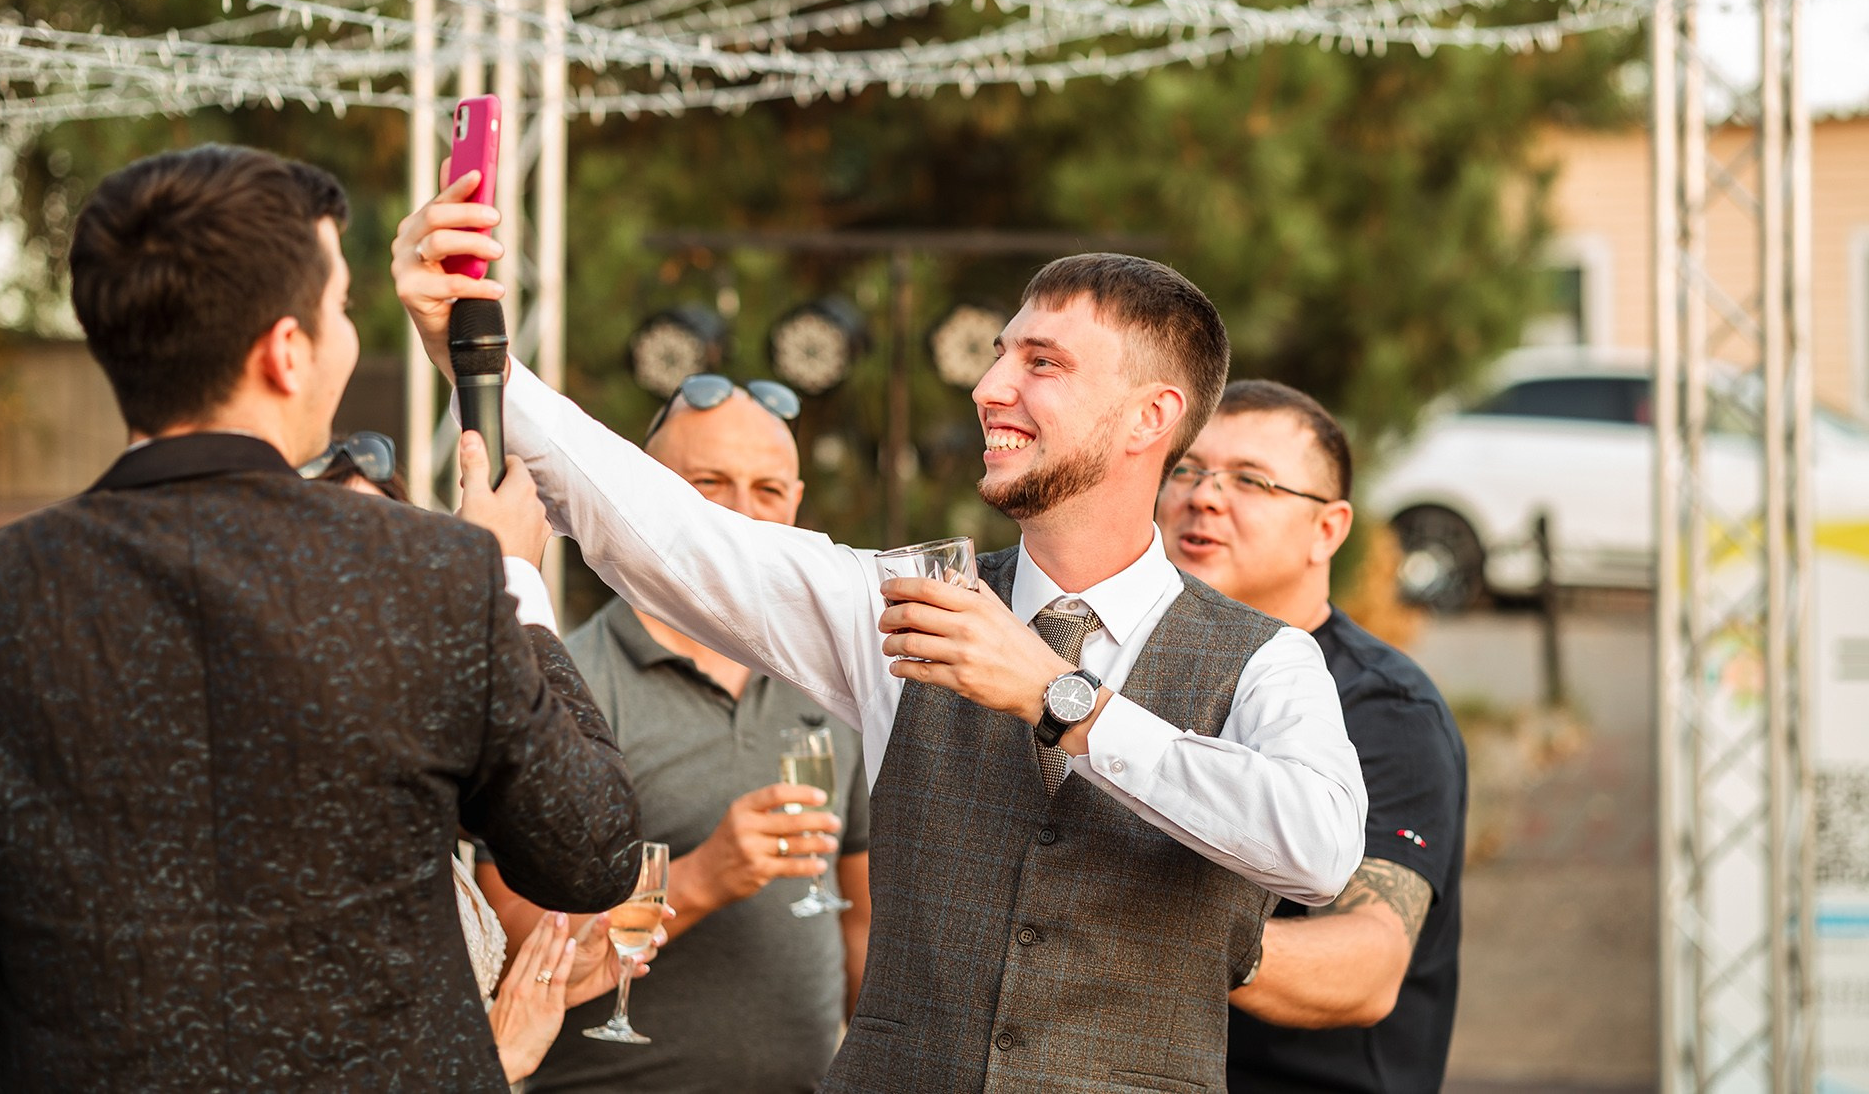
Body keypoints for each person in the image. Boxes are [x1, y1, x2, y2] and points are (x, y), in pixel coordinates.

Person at [395, 179, 1366, 1094]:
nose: (989, 387)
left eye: (1040, 363)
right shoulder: (903, 603)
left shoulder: (1264, 659)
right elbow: (676, 535)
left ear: (1148, 417)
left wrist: (1058, 696)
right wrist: (471, 350)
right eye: (997, 354)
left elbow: (1319, 848)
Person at [0, 145, 642, 1092]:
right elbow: (593, 850)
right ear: (285, 349)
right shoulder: (435, 578)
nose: (350, 335)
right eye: (344, 307)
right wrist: (516, 582)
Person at [477, 374, 873, 1094]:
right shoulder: (571, 679)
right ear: (646, 493)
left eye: (768, 489)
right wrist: (698, 878)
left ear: (798, 500)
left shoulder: (835, 680)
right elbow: (501, 933)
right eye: (708, 483)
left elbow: (862, 924)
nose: (741, 515)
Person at [302, 432, 656, 1085]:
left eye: (399, 550)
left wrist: (542, 982)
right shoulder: (306, 799)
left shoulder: (408, 767)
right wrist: (494, 1058)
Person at [1156, 380, 1467, 1094]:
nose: (1204, 496)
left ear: (1328, 529)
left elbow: (1370, 966)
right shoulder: (1120, 669)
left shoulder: (1387, 708)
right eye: (1187, 469)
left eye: (1251, 481)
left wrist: (1167, 937)